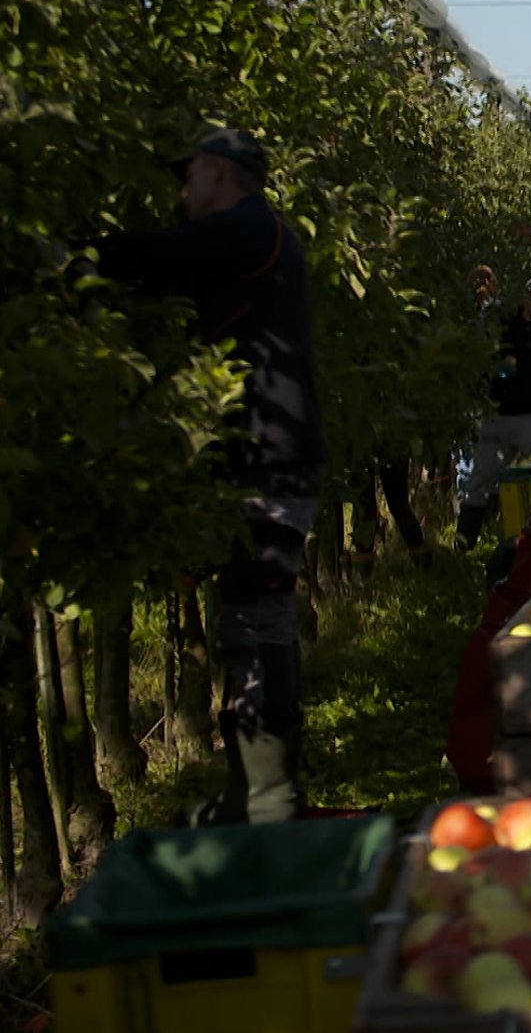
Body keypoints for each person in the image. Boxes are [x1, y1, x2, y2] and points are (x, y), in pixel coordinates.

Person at [92, 127, 323, 825]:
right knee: (254, 613)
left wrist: (75, 256)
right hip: (263, 450)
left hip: (267, 455)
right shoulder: (256, 237)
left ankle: (267, 796)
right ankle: (256, 789)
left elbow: (165, 255)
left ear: (218, 172)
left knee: (257, 614)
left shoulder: (251, 228)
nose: (180, 189)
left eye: (187, 173)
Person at [454, 273, 531, 549]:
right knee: (480, 479)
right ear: (527, 299)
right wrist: (496, 369)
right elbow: (483, 357)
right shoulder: (505, 327)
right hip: (500, 414)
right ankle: (465, 542)